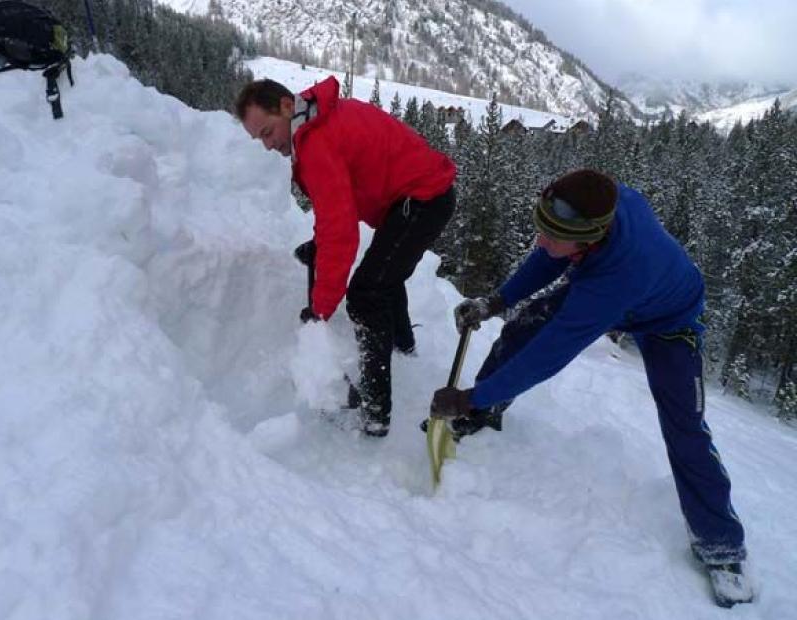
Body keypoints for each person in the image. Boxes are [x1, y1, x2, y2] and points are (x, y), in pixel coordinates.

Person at [429, 169, 753, 607]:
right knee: (525, 324)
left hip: (670, 321)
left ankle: (723, 547)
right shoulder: (597, 210)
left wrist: (468, 395)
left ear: (588, 241)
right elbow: (548, 255)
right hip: (620, 285)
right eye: (540, 228)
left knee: (685, 427)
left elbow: (548, 355)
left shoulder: (615, 276)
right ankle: (483, 415)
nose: (540, 241)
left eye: (552, 235)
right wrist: (496, 302)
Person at [235, 77, 456, 437]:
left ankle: (375, 412)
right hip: (418, 199)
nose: (267, 144)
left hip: (422, 200)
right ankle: (403, 351)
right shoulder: (318, 118)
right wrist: (320, 245)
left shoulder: (315, 142)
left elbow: (341, 232)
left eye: (267, 131)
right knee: (383, 276)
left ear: (287, 107)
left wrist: (321, 308)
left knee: (367, 294)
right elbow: (335, 207)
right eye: (258, 138)